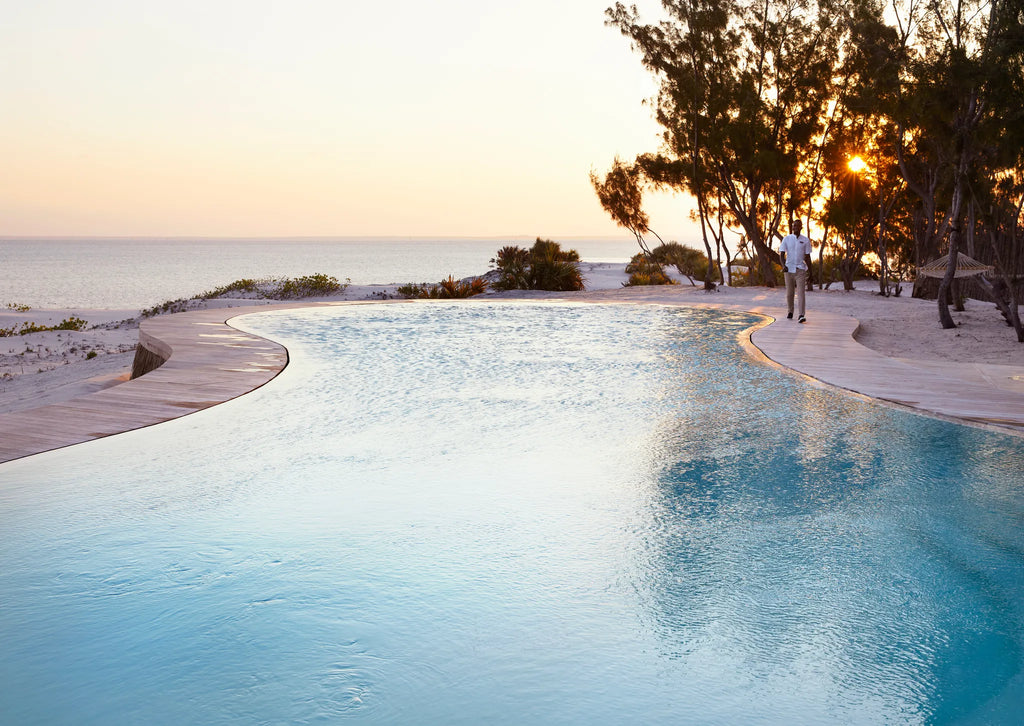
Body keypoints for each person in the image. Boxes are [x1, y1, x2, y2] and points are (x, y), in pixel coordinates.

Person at [779, 219, 812, 323]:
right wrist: (783, 266)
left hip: (800, 270)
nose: (796, 227)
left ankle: (801, 315)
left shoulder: (805, 240)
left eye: (798, 226)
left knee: (801, 293)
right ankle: (790, 311)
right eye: (794, 226)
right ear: (792, 227)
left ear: (801, 227)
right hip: (788, 270)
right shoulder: (787, 239)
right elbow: (781, 254)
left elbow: (807, 257)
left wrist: (811, 272)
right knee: (789, 293)